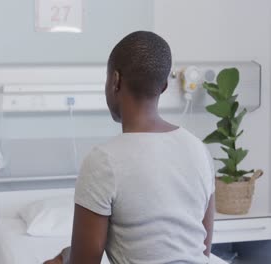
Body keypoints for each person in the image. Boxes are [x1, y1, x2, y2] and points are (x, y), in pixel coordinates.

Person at [45, 31, 215, 264]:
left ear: (115, 80)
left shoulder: (103, 161)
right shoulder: (199, 151)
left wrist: (62, 259)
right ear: (164, 86)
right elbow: (203, 250)